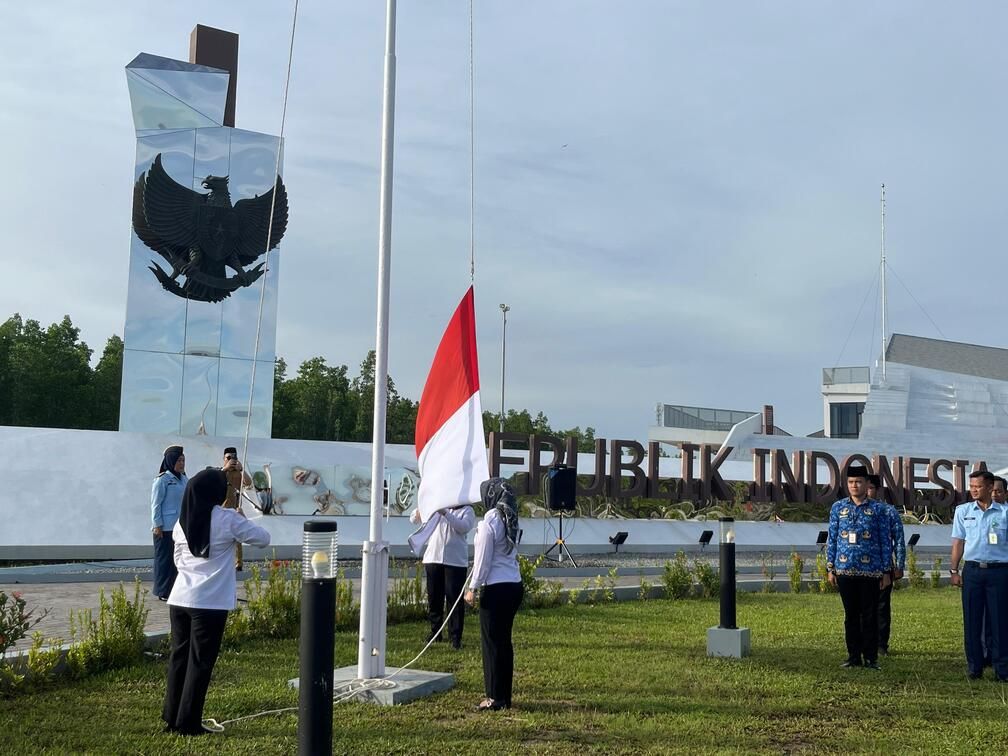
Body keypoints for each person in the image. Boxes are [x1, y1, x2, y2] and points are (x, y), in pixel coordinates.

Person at [162, 469, 271, 735]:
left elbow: (177, 557)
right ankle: (188, 722)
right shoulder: (227, 519)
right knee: (200, 662)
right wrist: (241, 516)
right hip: (209, 602)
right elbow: (263, 539)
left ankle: (172, 718)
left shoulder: (181, 521)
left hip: (179, 598)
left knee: (179, 659)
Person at [465, 478, 523, 711]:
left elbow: (483, 559)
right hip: (513, 585)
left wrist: (473, 587)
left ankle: (494, 698)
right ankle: (504, 697)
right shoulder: (511, 516)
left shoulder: (490, 520)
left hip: (496, 588)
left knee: (491, 644)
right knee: (503, 643)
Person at [826, 465, 893, 670]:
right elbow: (833, 538)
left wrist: (886, 571)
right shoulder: (838, 508)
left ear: (866, 484)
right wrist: (830, 567)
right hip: (845, 570)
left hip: (871, 571)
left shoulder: (878, 509)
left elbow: (884, 540)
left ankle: (871, 658)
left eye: (858, 482)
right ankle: (853, 656)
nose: (854, 486)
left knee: (870, 615)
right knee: (851, 616)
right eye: (850, 482)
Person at [949, 470, 1008, 681]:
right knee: (972, 620)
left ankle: (1002, 669)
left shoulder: (1004, 512)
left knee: (1000, 621)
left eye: (978, 486)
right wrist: (954, 570)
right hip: (972, 571)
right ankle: (975, 667)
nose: (974, 490)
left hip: (1000, 572)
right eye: (971, 486)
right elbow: (958, 542)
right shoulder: (963, 511)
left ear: (991, 487)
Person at [410, 503, 476, 649]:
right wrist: (422, 509)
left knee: (454, 599)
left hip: (455, 561)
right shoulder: (437, 506)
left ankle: (455, 637)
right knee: (434, 597)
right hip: (433, 557)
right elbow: (414, 519)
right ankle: (435, 632)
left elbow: (463, 527)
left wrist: (445, 513)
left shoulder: (467, 510)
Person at [867, 474, 906, 655]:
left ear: (877, 490)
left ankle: (881, 644)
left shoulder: (888, 511)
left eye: (870, 488)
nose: (866, 491)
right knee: (861, 608)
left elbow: (898, 540)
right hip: (858, 569)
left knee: (881, 607)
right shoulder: (850, 510)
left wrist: (899, 565)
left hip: (883, 567)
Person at [151, 445, 187, 601]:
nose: (182, 463)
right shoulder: (163, 480)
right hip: (165, 527)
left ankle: (175, 589)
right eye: (179, 460)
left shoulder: (184, 478)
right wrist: (157, 524)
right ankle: (163, 590)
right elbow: (156, 504)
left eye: (183, 460)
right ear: (171, 461)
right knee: (165, 560)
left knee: (178, 559)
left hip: (180, 526)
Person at [221, 447, 252, 572]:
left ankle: (238, 563)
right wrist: (226, 468)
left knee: (237, 537)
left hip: (235, 508)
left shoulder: (237, 473)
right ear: (224, 459)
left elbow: (248, 483)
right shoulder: (221, 472)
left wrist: (241, 469)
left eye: (233, 457)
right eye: (228, 458)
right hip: (222, 509)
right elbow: (213, 477)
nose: (231, 460)